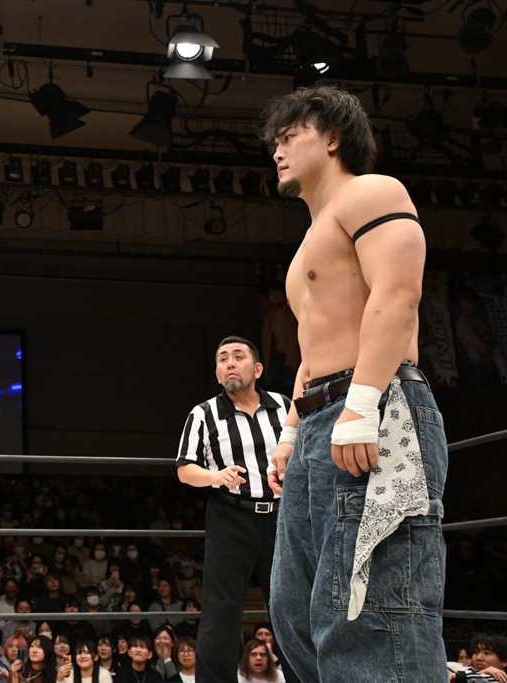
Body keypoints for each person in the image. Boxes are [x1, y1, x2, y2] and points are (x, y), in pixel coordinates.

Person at [262, 86, 448, 683]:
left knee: (371, 608)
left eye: (290, 136)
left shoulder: (373, 192)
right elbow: (311, 351)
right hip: (322, 419)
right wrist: (291, 432)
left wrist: (364, 403)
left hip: (377, 404)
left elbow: (399, 292)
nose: (277, 151)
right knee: (295, 610)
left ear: (333, 138)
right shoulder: (308, 243)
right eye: (274, 142)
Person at [175, 336, 290, 683]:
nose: (229, 363)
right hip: (230, 516)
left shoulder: (284, 407)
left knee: (290, 605)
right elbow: (184, 469)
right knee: (221, 610)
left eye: (238, 356)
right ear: (217, 372)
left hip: (281, 517)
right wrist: (216, 476)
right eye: (223, 358)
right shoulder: (203, 413)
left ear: (257, 369)